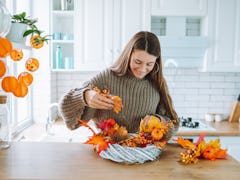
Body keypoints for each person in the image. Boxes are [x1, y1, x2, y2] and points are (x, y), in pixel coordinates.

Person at [59, 31, 179, 136]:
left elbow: (174, 123)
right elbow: (68, 115)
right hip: (109, 153)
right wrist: (84, 96)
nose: (142, 69)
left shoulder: (157, 83)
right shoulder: (106, 78)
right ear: (128, 56)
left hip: (144, 155)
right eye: (138, 62)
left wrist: (158, 120)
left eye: (149, 64)